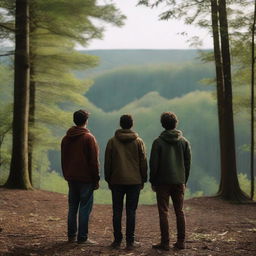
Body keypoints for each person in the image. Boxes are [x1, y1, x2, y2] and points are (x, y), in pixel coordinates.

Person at [104, 114, 147, 250]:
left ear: (120, 124)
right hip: (134, 181)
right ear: (131, 124)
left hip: (116, 180)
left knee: (117, 211)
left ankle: (117, 241)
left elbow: (108, 162)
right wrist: (143, 179)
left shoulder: (112, 141)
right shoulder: (138, 141)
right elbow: (143, 162)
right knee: (131, 212)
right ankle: (130, 241)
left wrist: (108, 178)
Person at [150, 112, 191, 251]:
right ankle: (181, 242)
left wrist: (153, 181)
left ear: (163, 124)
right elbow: (187, 163)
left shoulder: (158, 142)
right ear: (175, 124)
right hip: (179, 180)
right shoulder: (184, 142)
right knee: (179, 211)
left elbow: (154, 164)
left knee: (163, 212)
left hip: (162, 182)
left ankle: (165, 242)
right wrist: (184, 180)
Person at [61, 110, 100, 244]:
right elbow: (94, 162)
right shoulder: (89, 138)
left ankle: (71, 236)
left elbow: (63, 159)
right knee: (84, 208)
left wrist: (66, 174)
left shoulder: (66, 138)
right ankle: (82, 238)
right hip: (86, 179)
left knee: (72, 207)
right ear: (86, 121)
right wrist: (96, 179)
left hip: (71, 177)